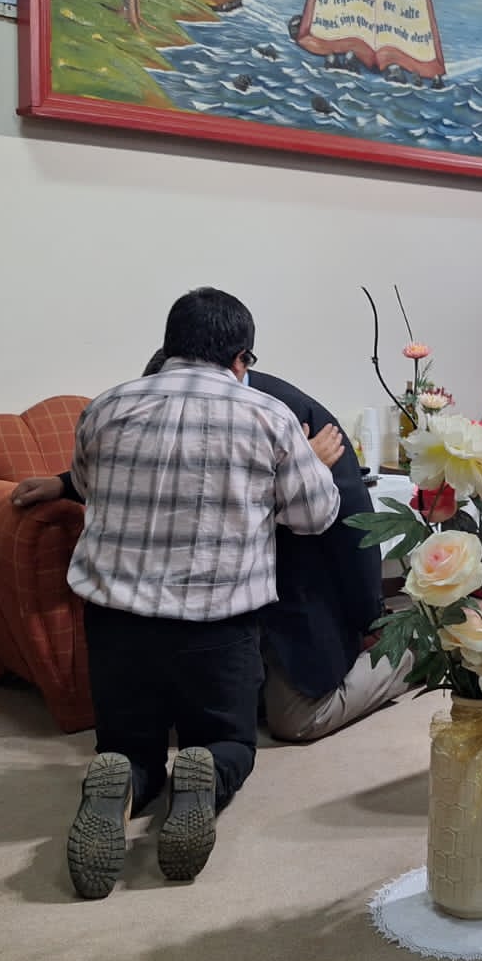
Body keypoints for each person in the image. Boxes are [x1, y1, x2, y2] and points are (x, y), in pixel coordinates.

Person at [61, 288, 342, 899]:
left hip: (114, 621)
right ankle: (207, 773)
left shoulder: (104, 407)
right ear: (242, 358)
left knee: (127, 744)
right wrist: (311, 464)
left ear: (168, 347)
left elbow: (86, 485)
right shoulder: (267, 415)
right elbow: (314, 516)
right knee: (229, 741)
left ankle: (124, 780)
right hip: (217, 626)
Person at [14, 356, 408, 746]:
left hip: (295, 598)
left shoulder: (283, 413)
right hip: (213, 605)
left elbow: (355, 527)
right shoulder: (155, 410)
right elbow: (146, 464)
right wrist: (63, 484)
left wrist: (369, 617)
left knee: (297, 721)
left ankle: (409, 651)